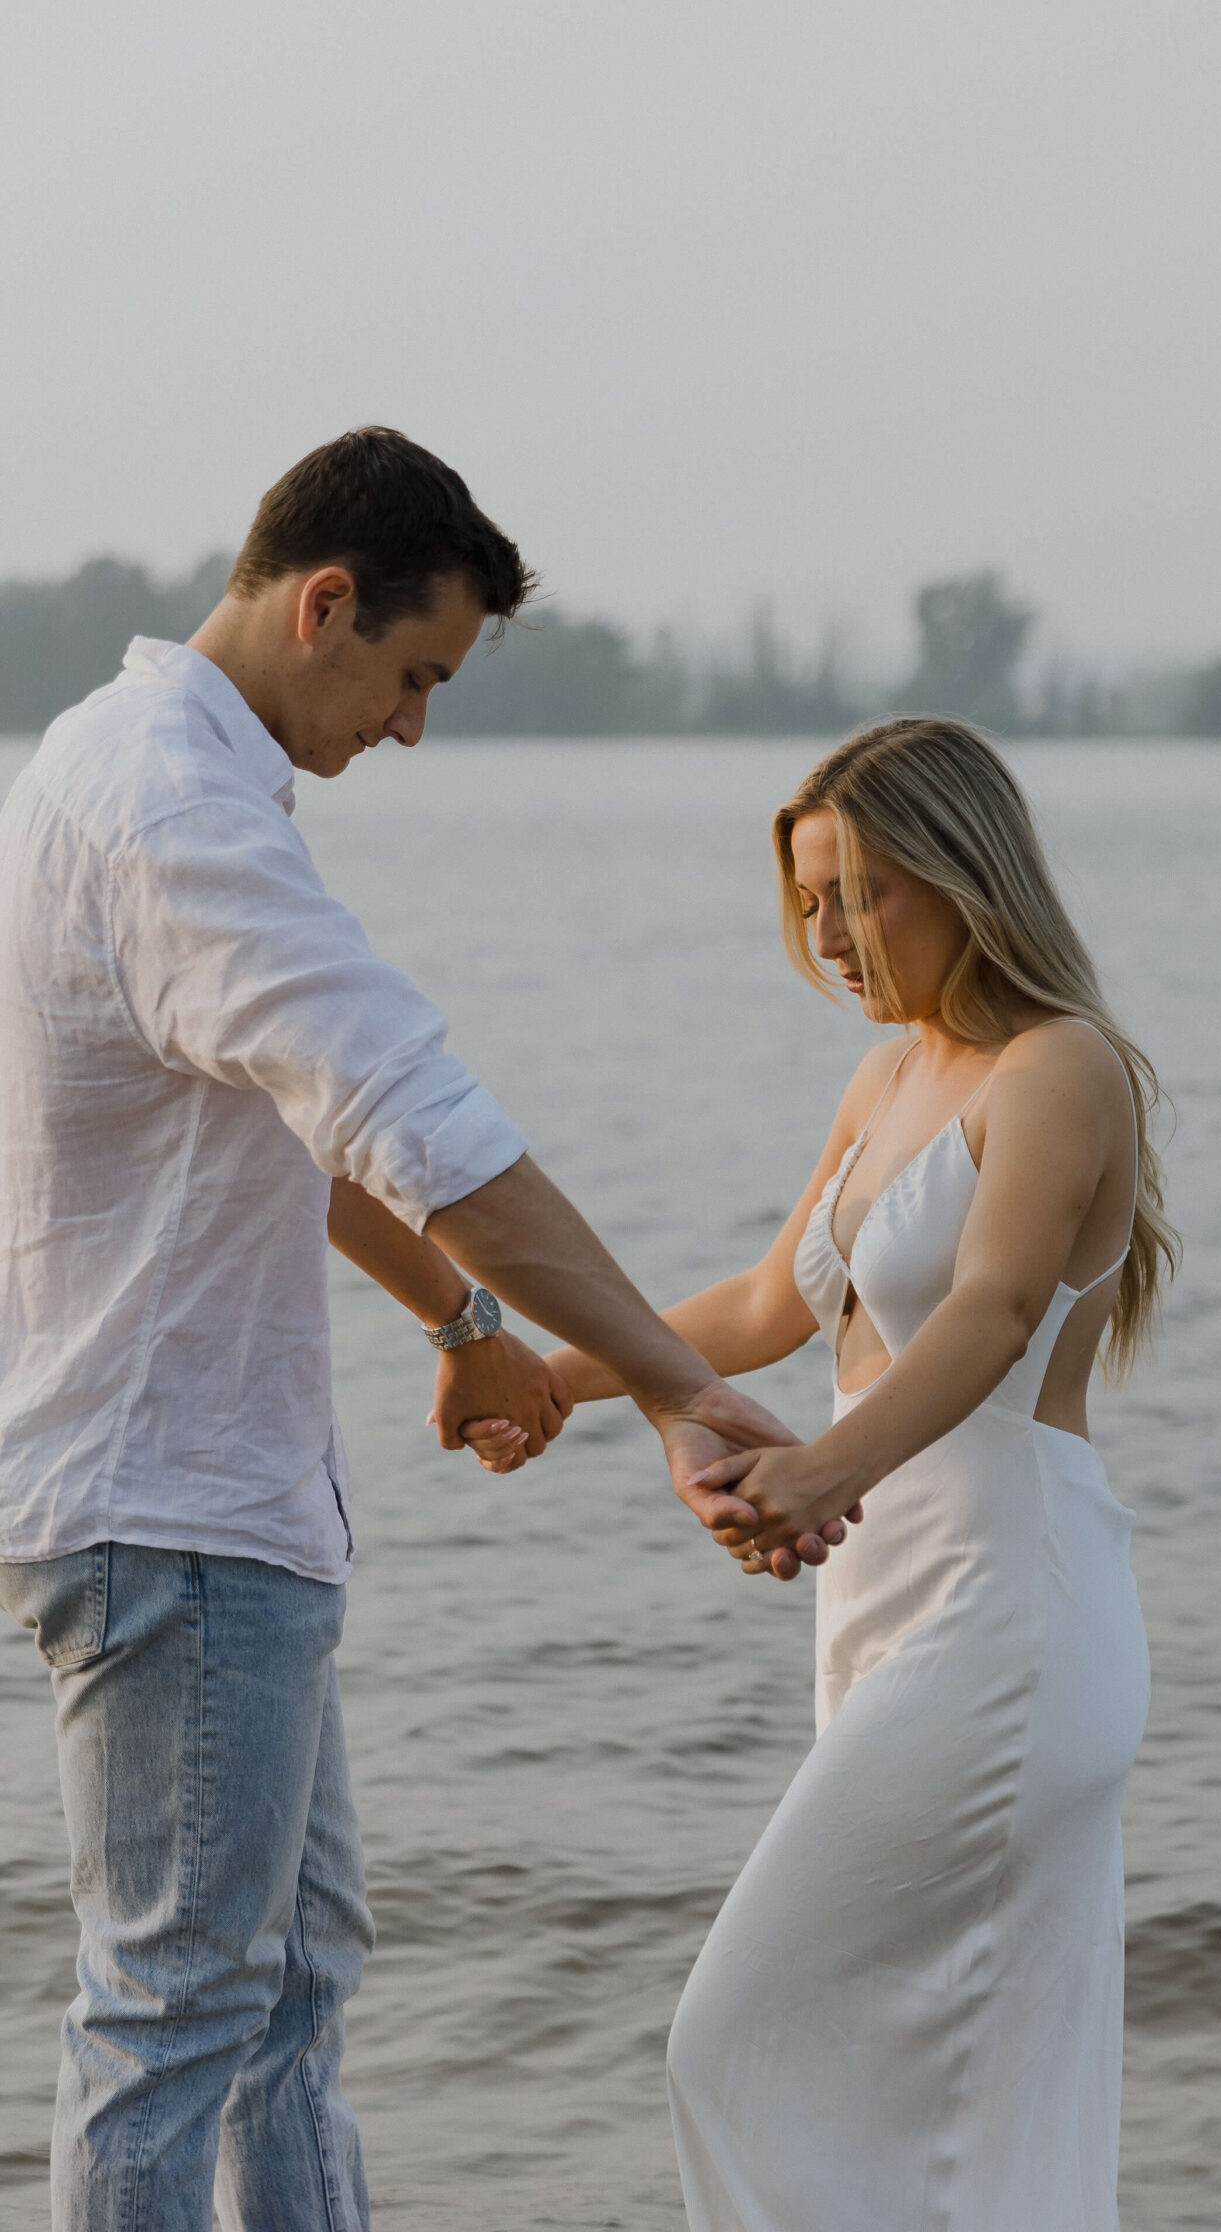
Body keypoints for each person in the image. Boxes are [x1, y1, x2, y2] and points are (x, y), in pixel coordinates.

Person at [0, 426, 837, 2232]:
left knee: (289, 1988)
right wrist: (683, 1392)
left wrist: (463, 1318)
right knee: (174, 2014)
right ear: (324, 606)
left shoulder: (112, 764)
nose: (412, 728)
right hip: (177, 1514)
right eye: (412, 674)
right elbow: (422, 1119)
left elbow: (287, 1125)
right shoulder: (173, 814)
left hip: (203, 1505)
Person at [473, 716, 1177, 2232]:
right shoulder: (885, 1081)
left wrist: (816, 1476)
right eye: (808, 902)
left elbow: (990, 1314)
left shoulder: (1060, 1069)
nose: (830, 935)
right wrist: (555, 1378)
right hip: (880, 1601)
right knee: (929, 2074)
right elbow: (760, 1309)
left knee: (739, 2034)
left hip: (1011, 1610)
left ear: (962, 872)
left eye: (860, 893)